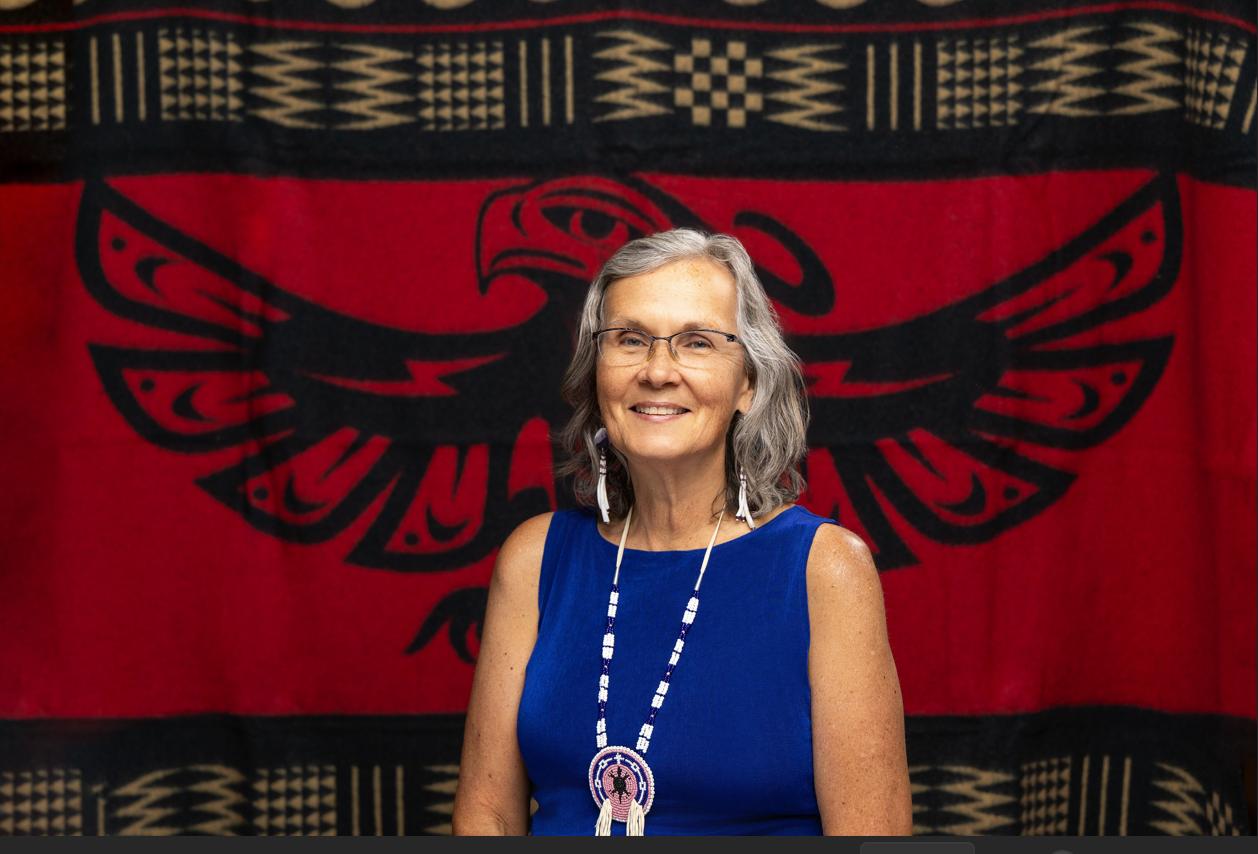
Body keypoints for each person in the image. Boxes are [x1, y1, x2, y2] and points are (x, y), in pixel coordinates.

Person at [452, 228, 912, 836]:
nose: (658, 371)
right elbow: (486, 815)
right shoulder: (535, 559)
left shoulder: (823, 570)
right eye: (630, 339)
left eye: (697, 342)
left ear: (749, 383)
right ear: (596, 372)